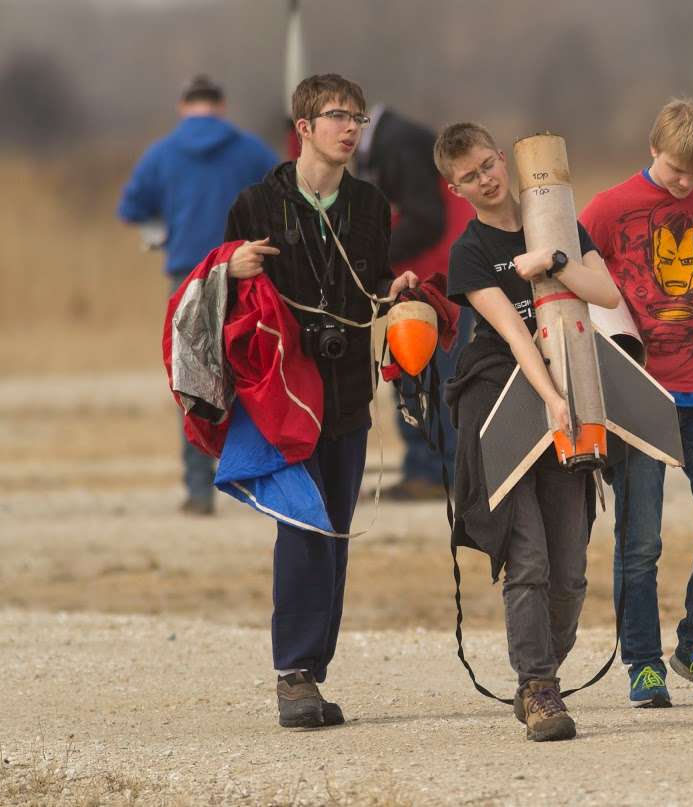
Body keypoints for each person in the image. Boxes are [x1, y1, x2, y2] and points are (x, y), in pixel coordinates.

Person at [222, 73, 418, 729]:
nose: (351, 128)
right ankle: (294, 673)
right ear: (303, 127)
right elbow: (213, 286)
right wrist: (231, 266)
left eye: (358, 117)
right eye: (337, 116)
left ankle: (311, 673)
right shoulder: (258, 202)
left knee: (333, 532)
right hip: (285, 394)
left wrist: (401, 288)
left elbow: (377, 279)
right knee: (303, 527)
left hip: (349, 392)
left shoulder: (369, 204)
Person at [437, 122, 621, 742]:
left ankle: (539, 677)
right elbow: (513, 334)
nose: (487, 179)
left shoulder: (558, 221)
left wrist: (553, 261)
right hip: (502, 400)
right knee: (531, 558)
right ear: (455, 187)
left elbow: (605, 291)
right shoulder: (468, 253)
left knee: (570, 571)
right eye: (471, 176)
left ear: (502, 158)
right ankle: (539, 688)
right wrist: (551, 400)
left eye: (490, 164)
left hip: (574, 379)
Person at [580, 97, 693, 708]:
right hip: (636, 395)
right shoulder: (606, 210)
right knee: (641, 538)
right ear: (654, 149)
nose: (686, 182)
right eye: (677, 168)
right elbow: (571, 296)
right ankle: (643, 663)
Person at [117, 74, 278, 516]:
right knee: (253, 377)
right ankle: (258, 484)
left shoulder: (161, 154)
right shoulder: (250, 150)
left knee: (193, 381)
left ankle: (198, 490)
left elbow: (130, 208)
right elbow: (284, 192)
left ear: (182, 105)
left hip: (189, 279)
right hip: (246, 274)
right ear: (221, 106)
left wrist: (162, 229)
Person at [354, 106, 474, 500]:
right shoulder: (394, 138)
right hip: (437, 275)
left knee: (427, 373)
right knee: (424, 373)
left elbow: (425, 219)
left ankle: (435, 472)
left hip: (434, 279)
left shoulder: (397, 144)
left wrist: (369, 257)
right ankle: (437, 469)